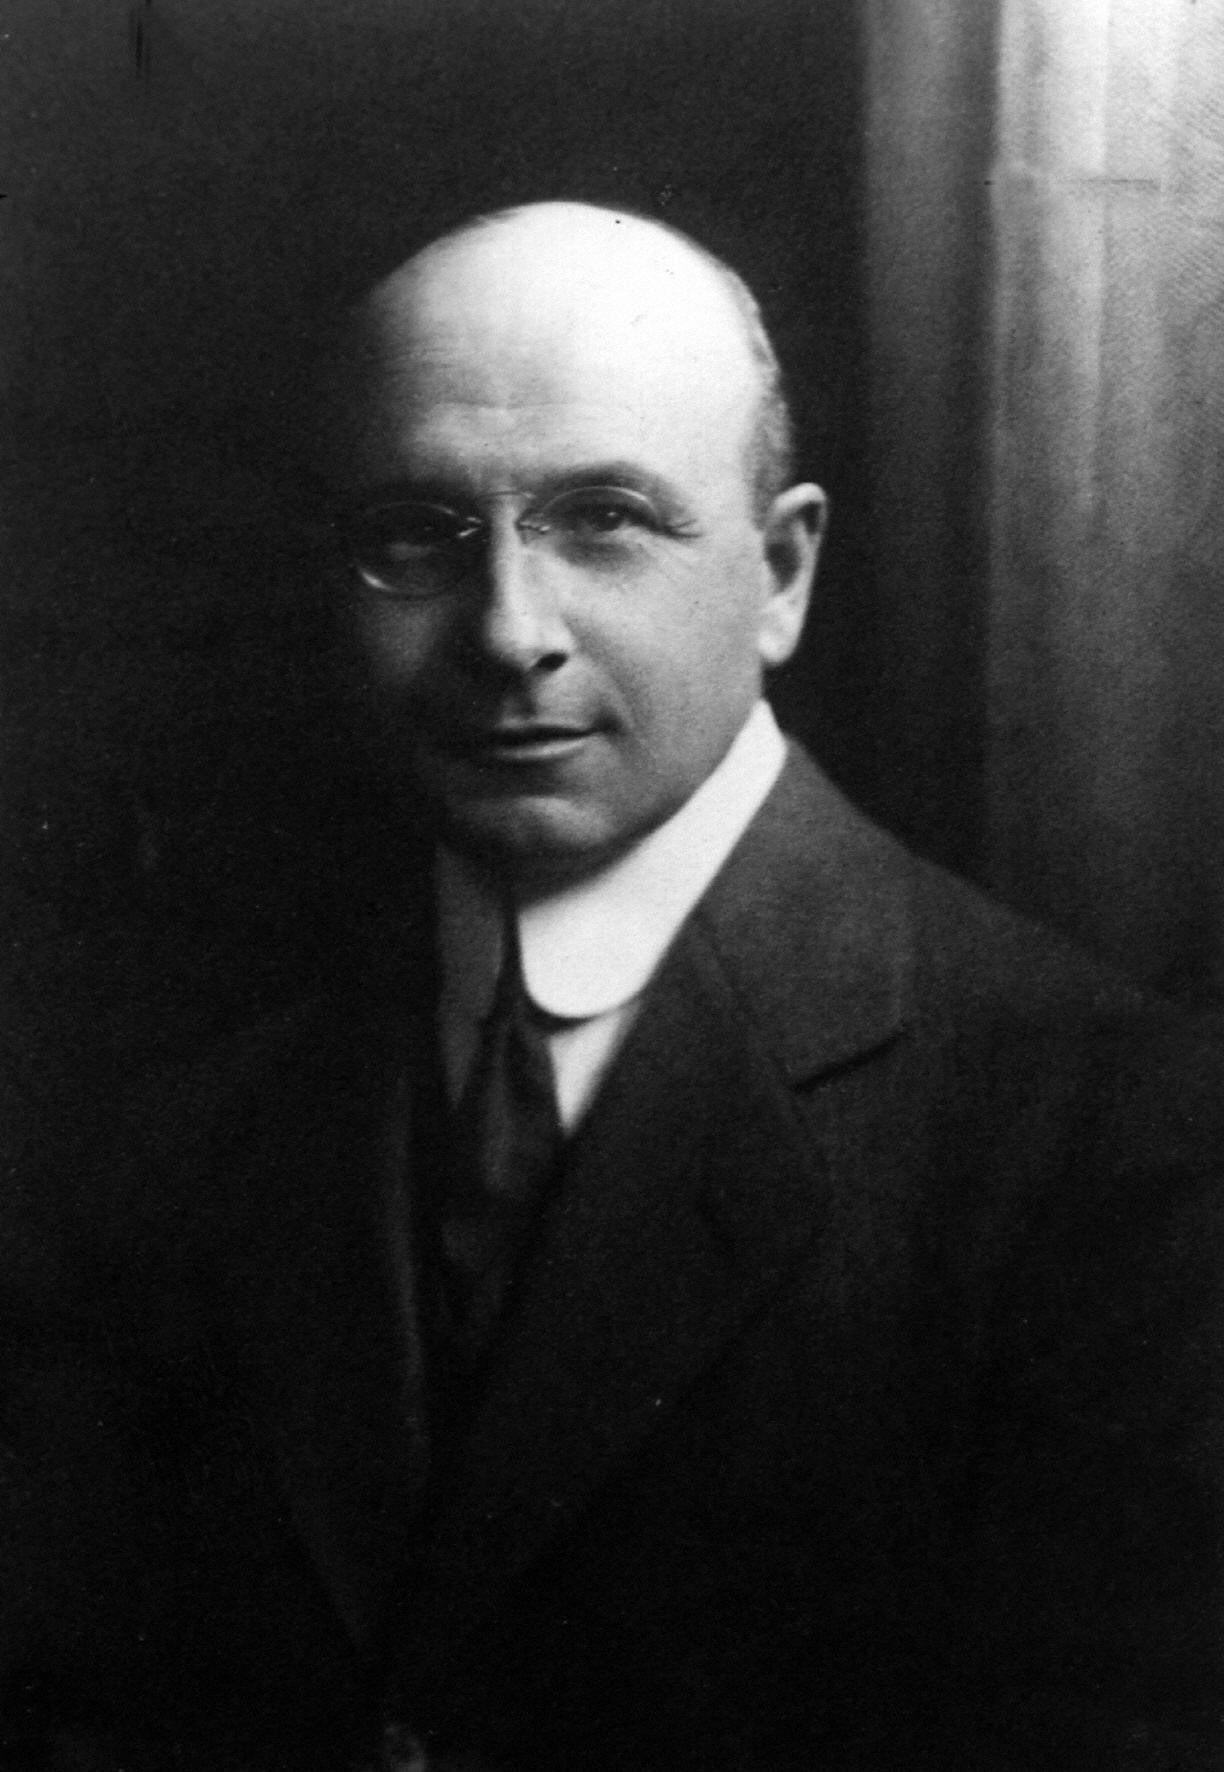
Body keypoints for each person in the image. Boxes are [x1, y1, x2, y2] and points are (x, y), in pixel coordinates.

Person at [2, 201, 1221, 1772]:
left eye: (607, 520)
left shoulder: (1115, 1142)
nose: (509, 632)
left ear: (782, 574)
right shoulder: (187, 1132)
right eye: (418, 535)